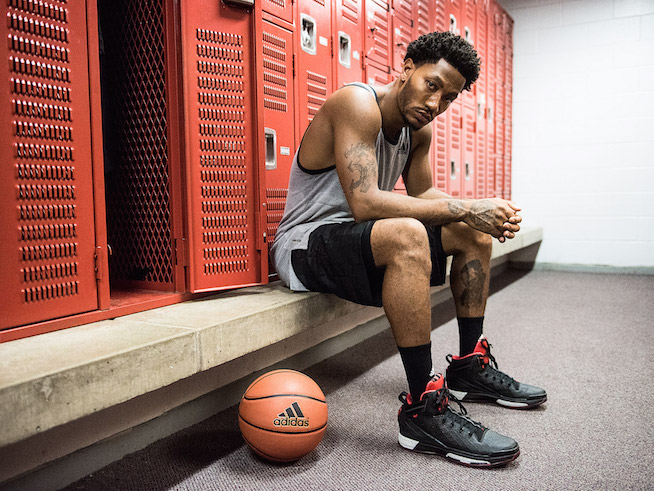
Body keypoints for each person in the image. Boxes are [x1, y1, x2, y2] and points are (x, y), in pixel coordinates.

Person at [270, 31, 546, 468]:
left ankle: (469, 368)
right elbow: (365, 204)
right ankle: (421, 409)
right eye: (432, 85)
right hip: (305, 245)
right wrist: (468, 206)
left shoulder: (419, 132)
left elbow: (424, 194)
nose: (435, 103)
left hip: (362, 241)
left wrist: (478, 215)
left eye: (448, 97)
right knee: (411, 233)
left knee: (470, 232)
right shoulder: (356, 104)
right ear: (407, 68)